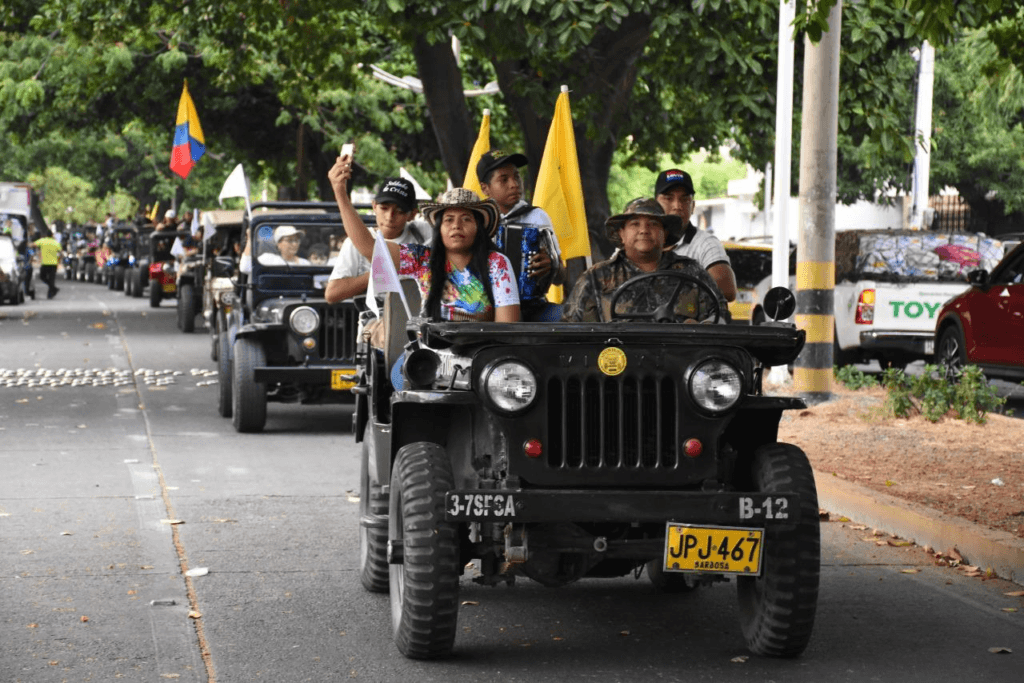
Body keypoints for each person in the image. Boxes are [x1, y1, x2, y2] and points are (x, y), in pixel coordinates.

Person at [329, 154, 519, 322]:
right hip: (429, 355)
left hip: (480, 355)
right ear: (438, 229)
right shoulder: (421, 260)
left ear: (479, 227)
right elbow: (370, 247)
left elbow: (506, 330)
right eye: (448, 219)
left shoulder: (497, 264)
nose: (456, 226)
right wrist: (340, 192)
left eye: (466, 219)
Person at [563, 198, 727, 323]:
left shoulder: (692, 272)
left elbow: (720, 313)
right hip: (617, 363)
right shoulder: (595, 278)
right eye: (635, 224)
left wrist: (703, 327)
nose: (644, 230)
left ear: (665, 234)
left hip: (681, 363)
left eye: (653, 224)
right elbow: (570, 328)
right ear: (622, 234)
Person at [477, 150, 566, 321]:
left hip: (532, 306)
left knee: (568, 319)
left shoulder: (537, 216)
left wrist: (551, 266)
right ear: (485, 188)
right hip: (487, 309)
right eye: (504, 179)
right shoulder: (477, 222)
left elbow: (561, 278)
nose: (514, 184)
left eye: (516, 177)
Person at [325, 177, 431, 304]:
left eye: (399, 211)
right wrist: (377, 274)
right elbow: (332, 294)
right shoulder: (354, 242)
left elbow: (371, 248)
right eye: (384, 208)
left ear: (412, 214)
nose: (389, 217)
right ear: (374, 206)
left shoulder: (424, 233)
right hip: (373, 321)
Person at [654, 169, 738, 302]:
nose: (677, 206)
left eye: (684, 199)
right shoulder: (636, 241)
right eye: (668, 198)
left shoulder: (707, 244)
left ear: (693, 206)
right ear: (654, 205)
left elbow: (727, 291)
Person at [239, 225, 311, 273]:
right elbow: (245, 267)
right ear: (278, 244)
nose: (295, 244)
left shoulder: (305, 263)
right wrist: (250, 239)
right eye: (290, 240)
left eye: (297, 240)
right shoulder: (269, 259)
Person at [31, 232, 63, 299]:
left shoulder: (43, 241)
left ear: (46, 235)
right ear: (52, 236)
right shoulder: (55, 242)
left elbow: (33, 245)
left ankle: (51, 292)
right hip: (53, 264)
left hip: (44, 263)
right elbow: (61, 253)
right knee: (52, 279)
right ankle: (52, 290)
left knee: (42, 277)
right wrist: (59, 261)